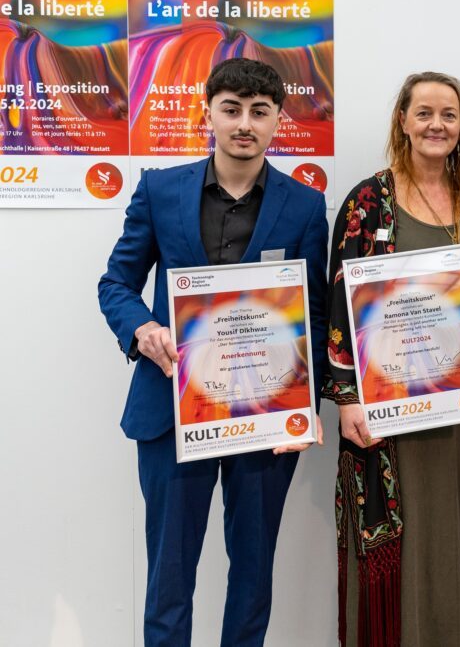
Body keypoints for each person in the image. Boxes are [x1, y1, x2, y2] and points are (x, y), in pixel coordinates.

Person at [97, 58, 328, 646]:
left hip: (266, 416)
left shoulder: (303, 207)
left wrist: (307, 410)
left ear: (279, 120)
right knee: (169, 576)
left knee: (253, 575)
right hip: (172, 409)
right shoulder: (159, 190)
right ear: (209, 115)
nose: (244, 124)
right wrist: (142, 330)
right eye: (231, 110)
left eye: (259, 112)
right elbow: (116, 284)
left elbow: (316, 313)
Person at [324, 72, 460, 647]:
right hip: (384, 414)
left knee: (445, 544)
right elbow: (339, 304)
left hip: (454, 414)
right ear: (402, 120)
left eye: (448, 114)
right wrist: (347, 401)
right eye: (423, 112)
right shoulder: (366, 200)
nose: (436, 125)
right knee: (390, 551)